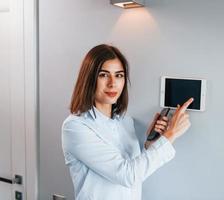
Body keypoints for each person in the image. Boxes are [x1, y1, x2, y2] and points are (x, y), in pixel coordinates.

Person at [61, 44, 194, 200]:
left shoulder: (126, 122)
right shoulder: (75, 127)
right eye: (103, 75)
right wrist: (171, 134)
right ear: (89, 78)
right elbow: (127, 175)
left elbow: (137, 173)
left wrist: (151, 144)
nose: (112, 83)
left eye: (119, 75)